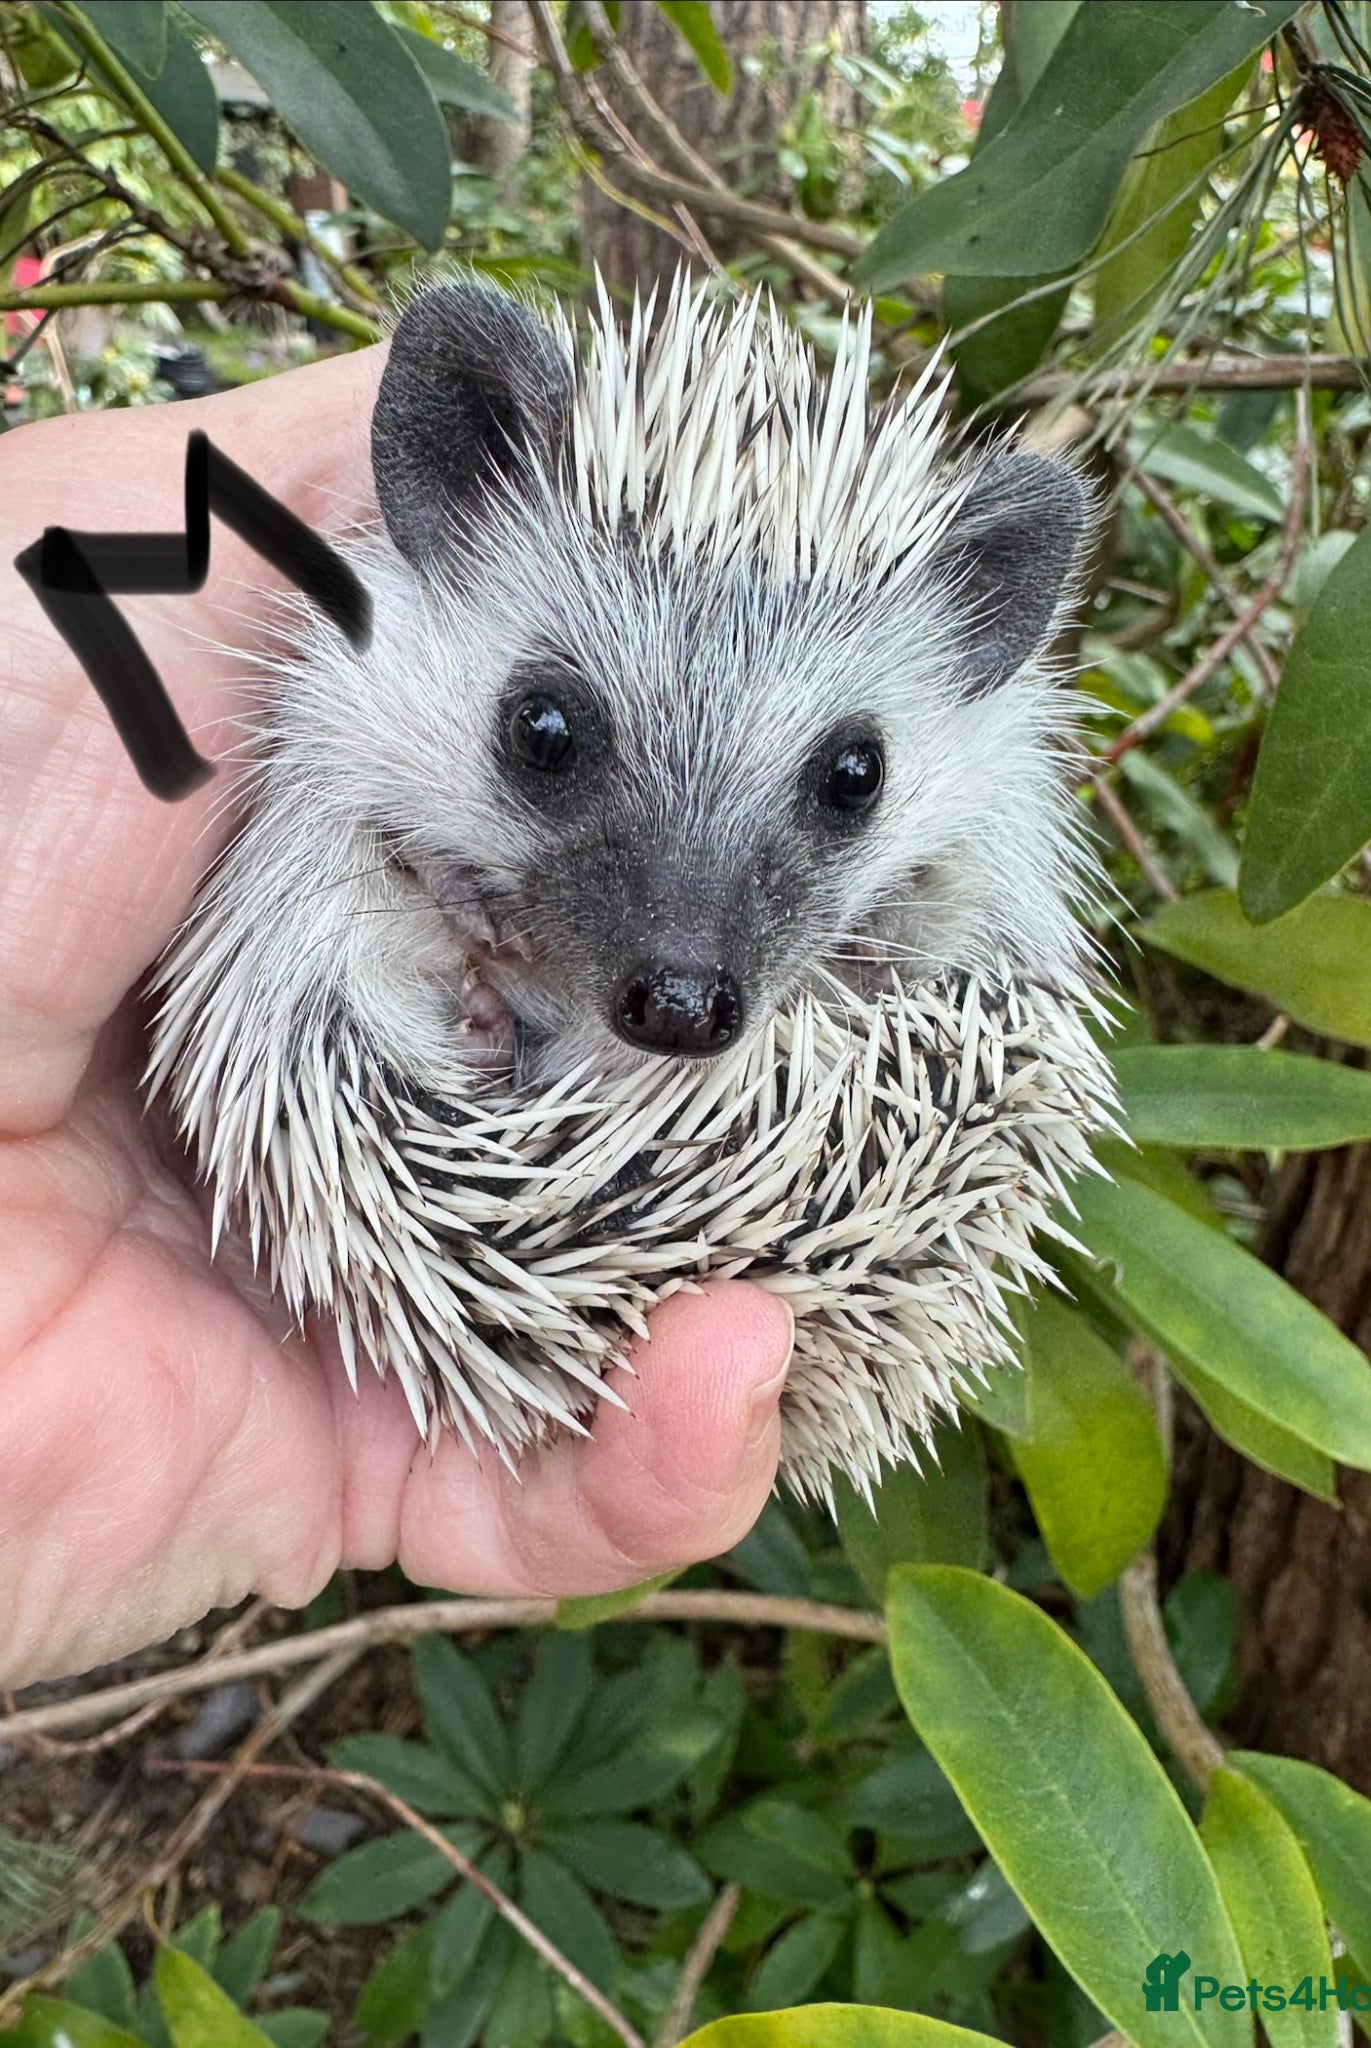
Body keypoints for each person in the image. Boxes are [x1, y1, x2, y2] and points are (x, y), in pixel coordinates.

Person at [0, 345, 793, 1690]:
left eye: (836, 784)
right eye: (552, 739)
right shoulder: (312, 658)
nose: (683, 971)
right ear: (436, 496)